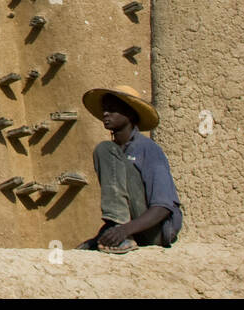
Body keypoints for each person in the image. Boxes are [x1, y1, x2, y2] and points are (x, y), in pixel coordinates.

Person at [76, 85, 183, 253]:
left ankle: (118, 227)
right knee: (105, 151)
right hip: (131, 230)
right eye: (105, 109)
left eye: (112, 110)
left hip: (154, 232)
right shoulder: (112, 154)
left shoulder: (148, 149)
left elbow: (163, 207)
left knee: (105, 149)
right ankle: (114, 229)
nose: (105, 114)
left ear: (130, 113)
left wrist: (124, 230)